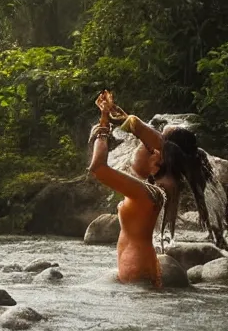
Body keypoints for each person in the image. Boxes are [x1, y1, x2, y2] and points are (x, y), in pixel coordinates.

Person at [88, 91, 223, 288]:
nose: (140, 148)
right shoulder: (157, 190)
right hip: (141, 273)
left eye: (147, 148)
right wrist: (112, 115)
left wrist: (102, 128)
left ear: (158, 161)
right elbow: (157, 142)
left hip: (137, 275)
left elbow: (98, 168)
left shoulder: (146, 194)